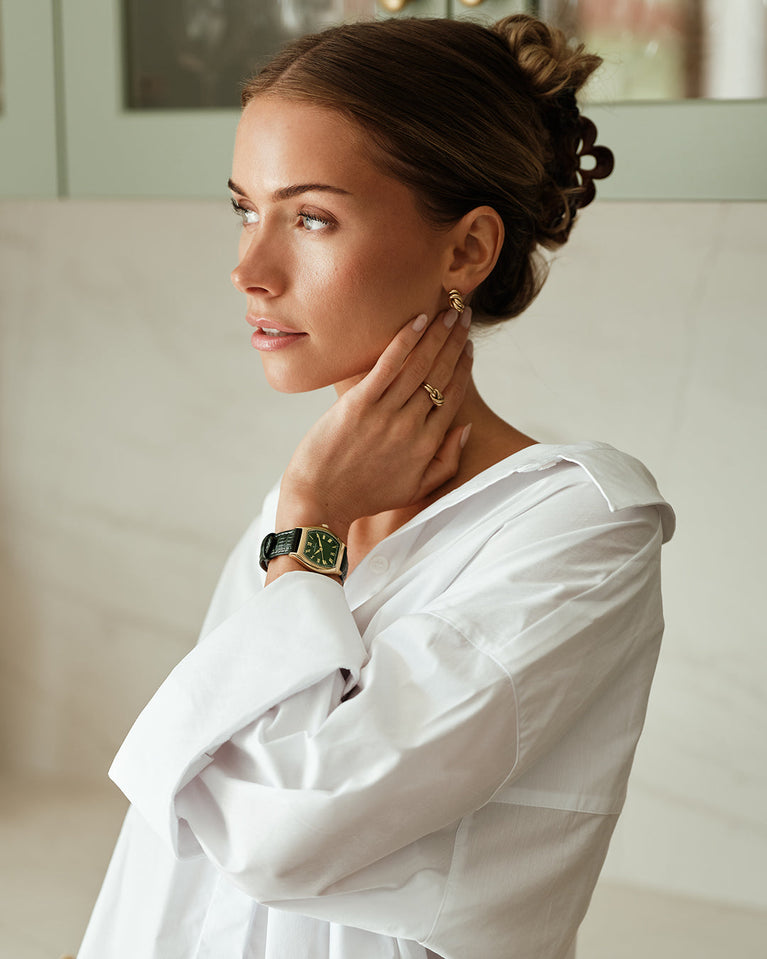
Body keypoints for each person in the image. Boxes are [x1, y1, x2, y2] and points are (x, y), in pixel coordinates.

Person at [78, 14, 674, 959]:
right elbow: (173, 847)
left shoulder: (579, 527)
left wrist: (310, 518)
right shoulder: (304, 509)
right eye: (245, 208)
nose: (250, 269)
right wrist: (308, 517)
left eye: (310, 217)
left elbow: (278, 829)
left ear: (467, 251)